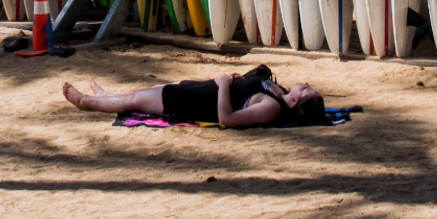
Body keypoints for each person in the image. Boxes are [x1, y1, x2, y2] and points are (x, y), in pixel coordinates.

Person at [62, 64, 326, 128]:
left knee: (135, 100)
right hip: (200, 90)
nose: (303, 83)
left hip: (194, 103)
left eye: (306, 89)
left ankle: (86, 103)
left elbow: (228, 118)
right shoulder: (277, 91)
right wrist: (237, 79)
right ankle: (107, 97)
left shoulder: (271, 107)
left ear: (295, 102)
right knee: (138, 95)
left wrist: (224, 86)